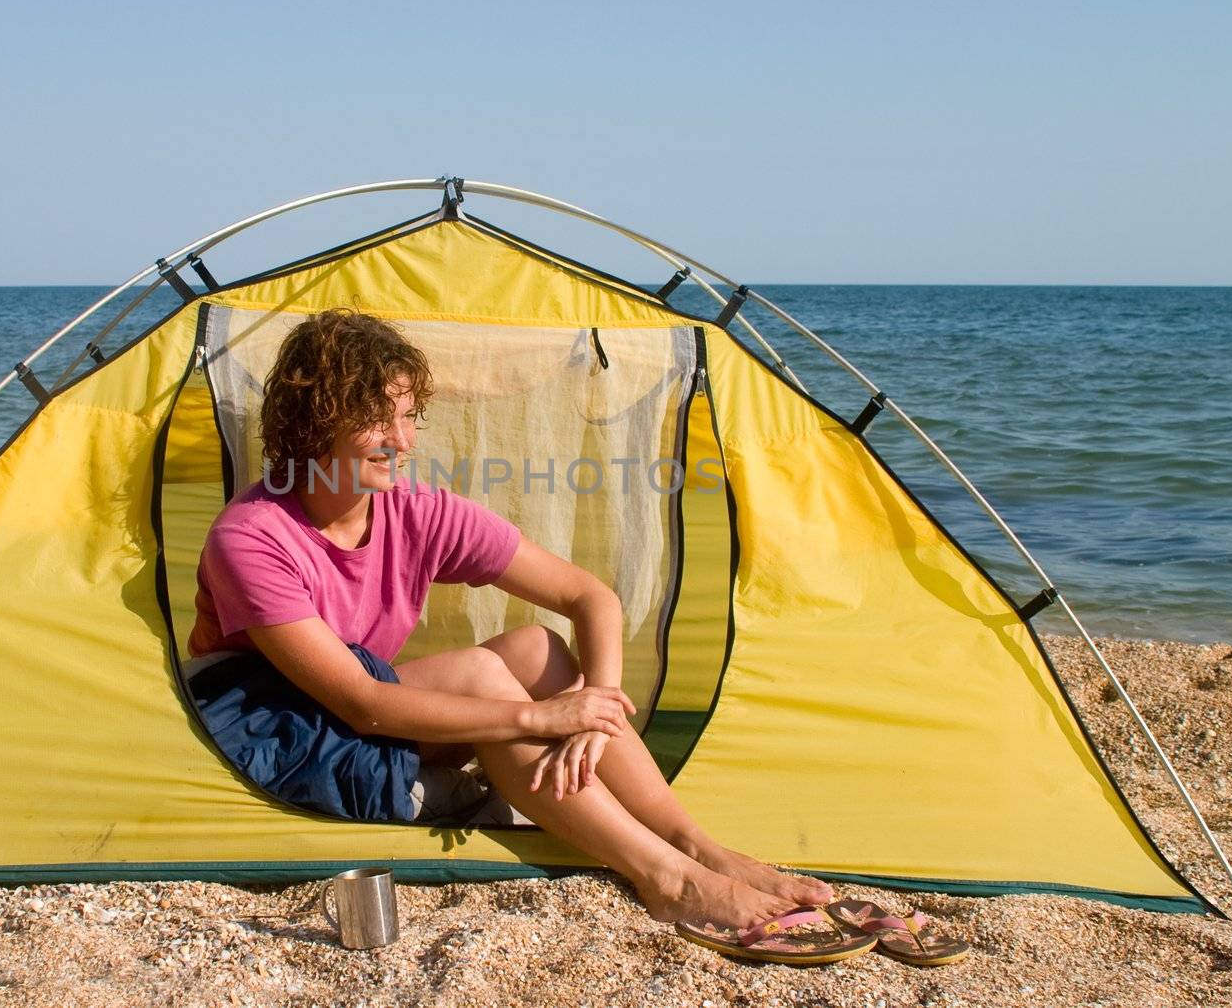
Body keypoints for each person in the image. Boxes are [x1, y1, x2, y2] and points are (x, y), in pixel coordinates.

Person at [186, 307, 832, 936]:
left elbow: (590, 596)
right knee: (483, 675)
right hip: (276, 734)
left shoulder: (415, 512)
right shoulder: (252, 538)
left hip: (351, 708)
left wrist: (594, 708)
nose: (403, 440)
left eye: (409, 415)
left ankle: (696, 844)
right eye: (376, 418)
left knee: (535, 649)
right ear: (315, 421)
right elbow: (362, 705)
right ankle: (666, 878)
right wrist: (540, 718)